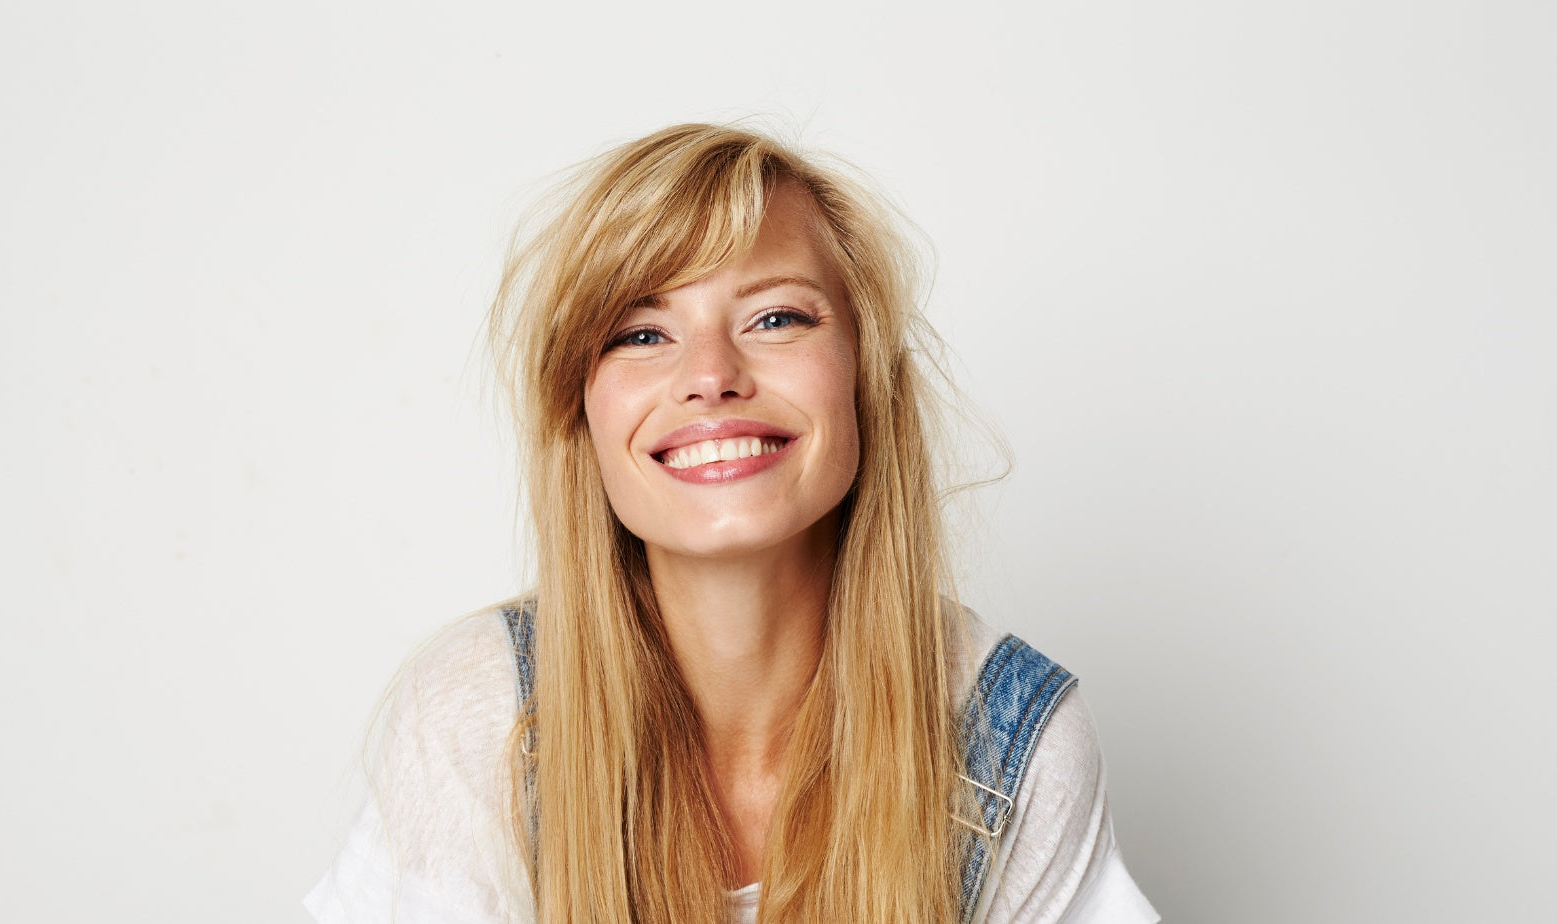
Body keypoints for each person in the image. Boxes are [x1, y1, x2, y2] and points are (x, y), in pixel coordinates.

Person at [306, 123, 1158, 923]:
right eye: (641, 334)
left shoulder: (1008, 740)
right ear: (582, 413)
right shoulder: (482, 715)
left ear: (864, 378)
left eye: (776, 318)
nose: (710, 375)